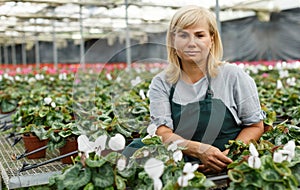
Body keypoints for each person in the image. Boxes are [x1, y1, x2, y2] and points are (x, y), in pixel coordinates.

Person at [148, 5, 265, 174]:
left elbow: (255, 126)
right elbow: (162, 132)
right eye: (183, 35)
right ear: (173, 40)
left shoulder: (233, 76)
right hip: (180, 169)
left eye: (199, 35)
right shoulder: (162, 83)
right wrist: (198, 150)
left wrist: (231, 156)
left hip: (230, 165)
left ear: (212, 39)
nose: (191, 43)